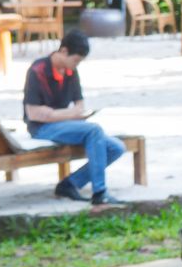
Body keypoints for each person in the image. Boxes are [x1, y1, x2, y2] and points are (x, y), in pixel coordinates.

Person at [22, 29, 123, 208]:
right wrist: (66, 114)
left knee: (116, 147)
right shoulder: (38, 70)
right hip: (41, 128)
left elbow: (79, 106)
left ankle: (70, 184)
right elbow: (34, 113)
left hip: (65, 124)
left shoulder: (70, 71)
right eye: (75, 60)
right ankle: (100, 193)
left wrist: (55, 114)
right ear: (63, 51)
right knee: (94, 130)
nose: (76, 65)